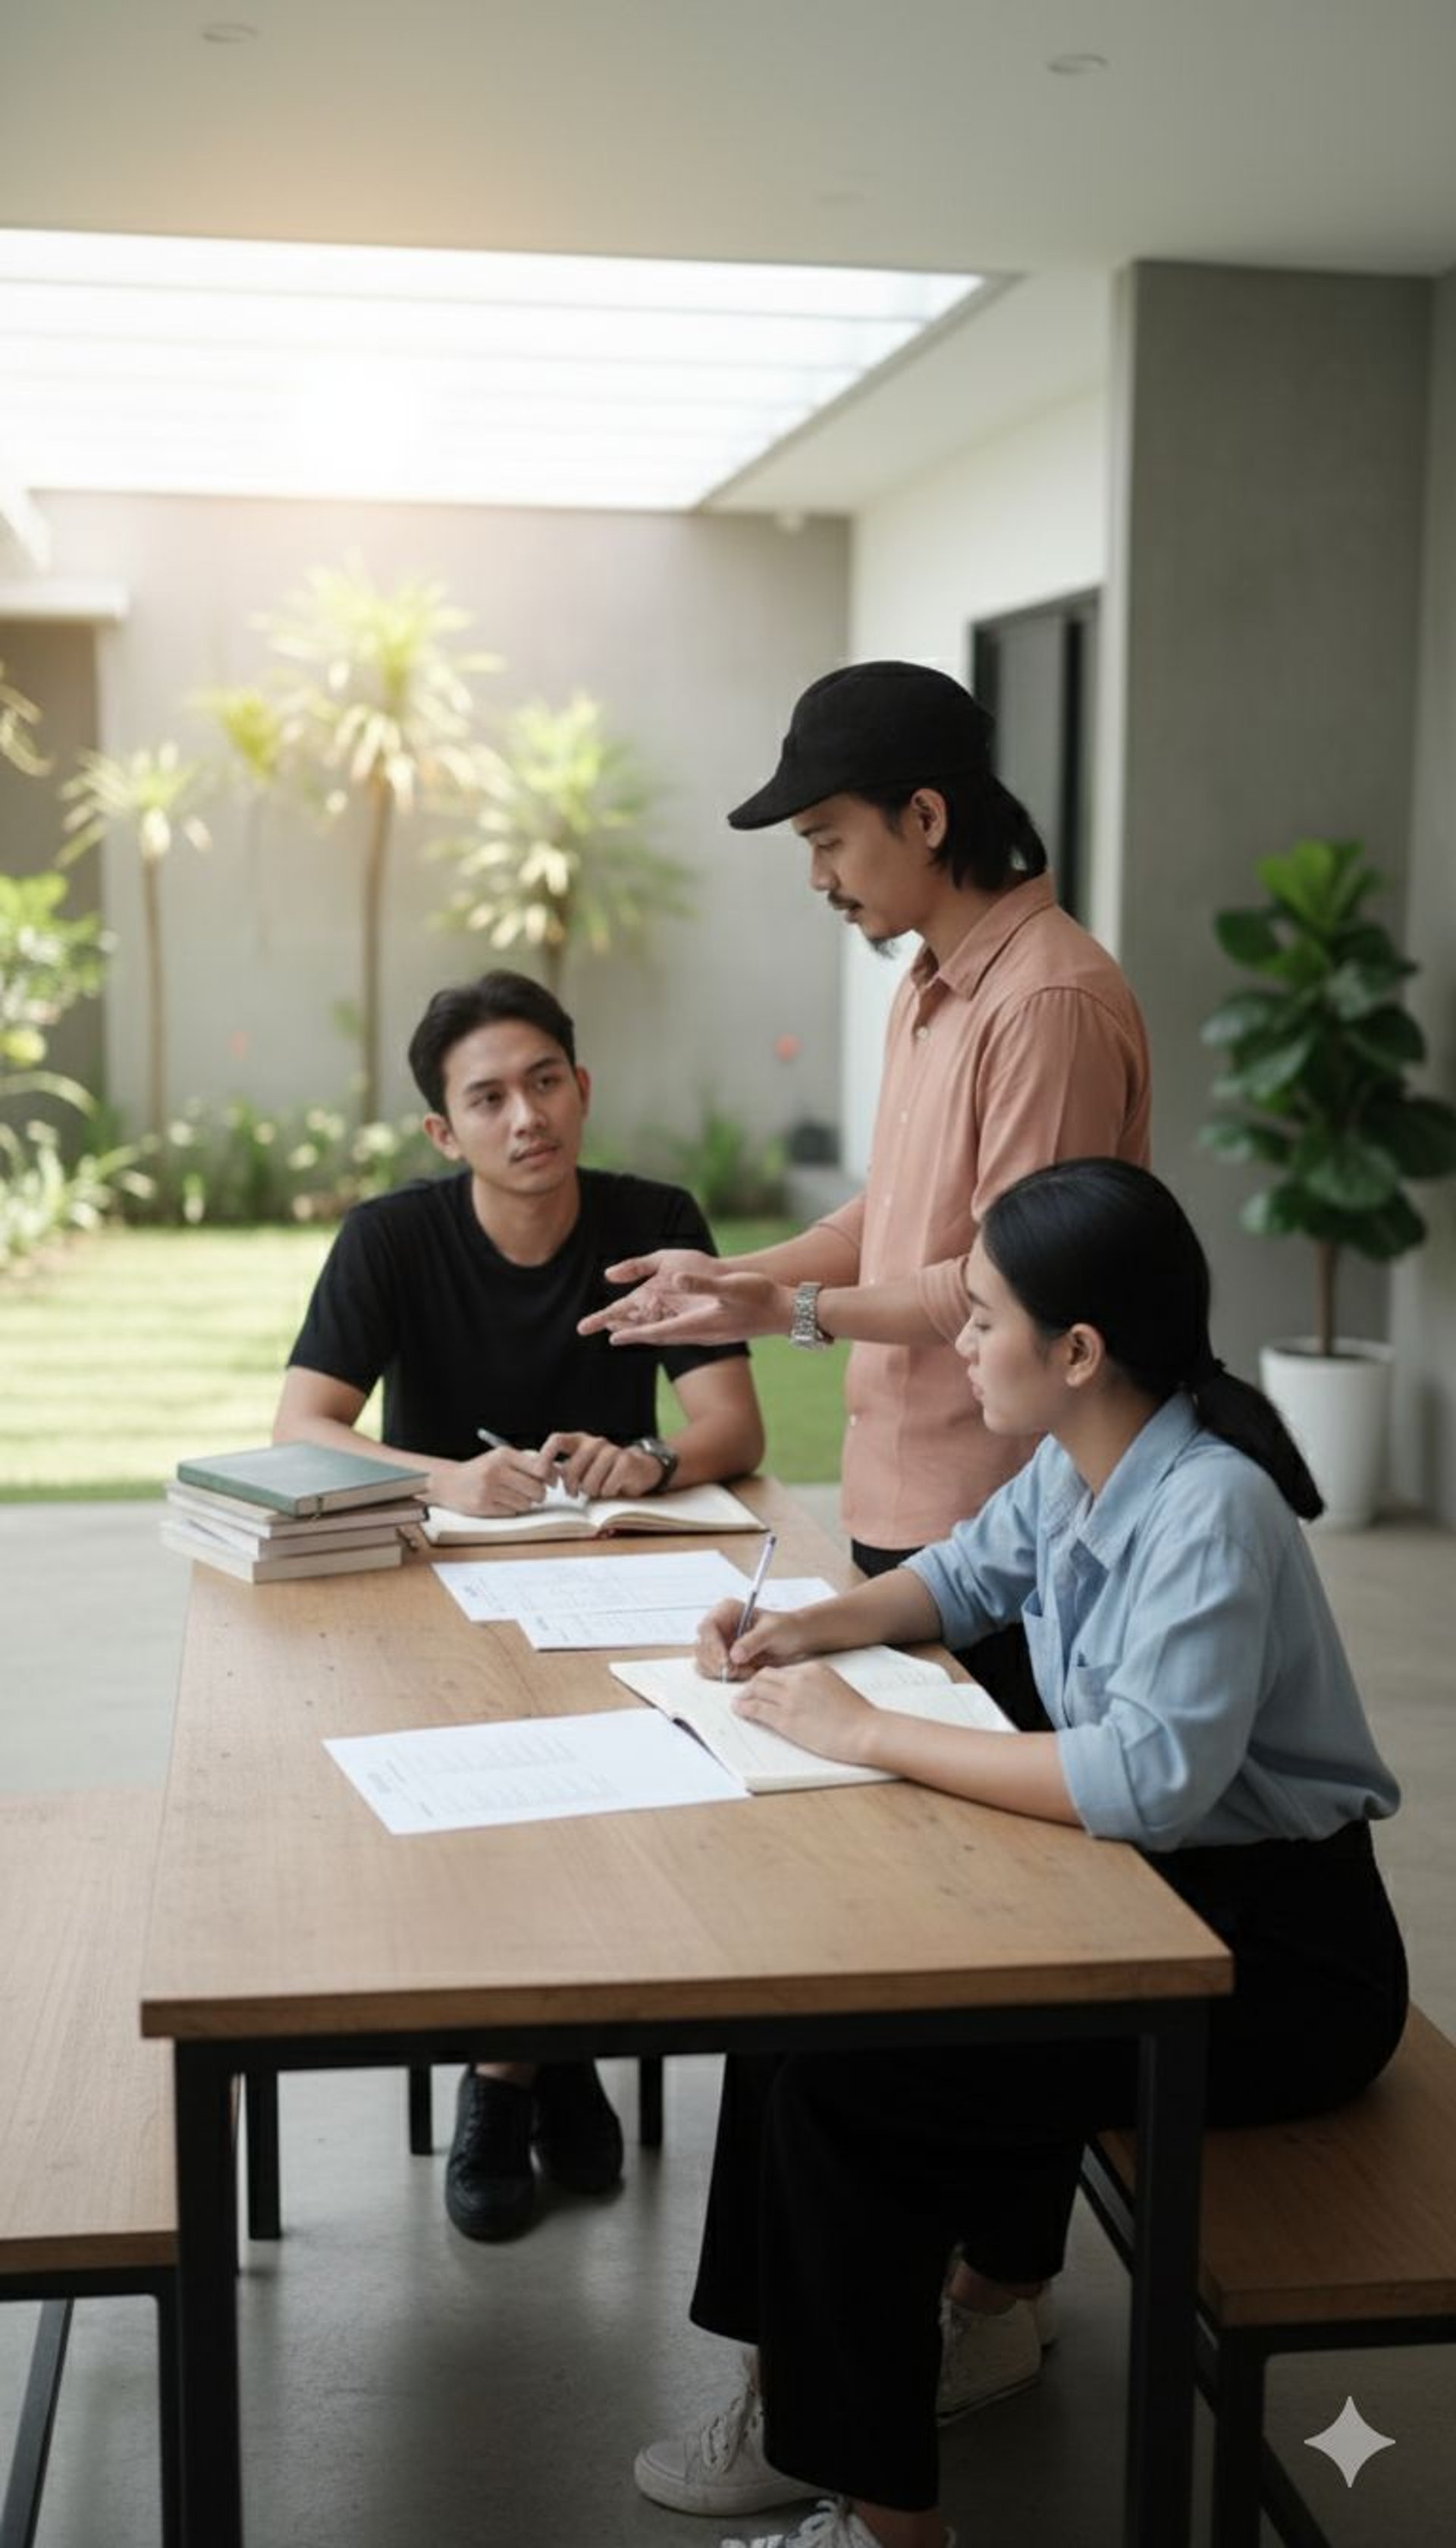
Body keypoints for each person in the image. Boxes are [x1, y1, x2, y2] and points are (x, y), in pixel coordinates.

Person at [632, 1159, 1407, 2548]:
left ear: (1080, 1349)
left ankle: (882, 2521)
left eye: (982, 1318)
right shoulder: (1084, 1457)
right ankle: (818, 2392)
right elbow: (965, 1576)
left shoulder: (1210, 1507)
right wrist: (800, 1630)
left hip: (1274, 1967)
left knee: (850, 2090)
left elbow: (1146, 1780)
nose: (962, 1341)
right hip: (1153, 1901)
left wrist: (868, 1732)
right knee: (803, 2006)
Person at [274, 968, 764, 2243]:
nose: (525, 1117)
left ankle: (512, 2071)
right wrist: (449, 1476)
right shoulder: (392, 1238)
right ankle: (544, 2067)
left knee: (634, 1782)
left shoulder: (656, 1217)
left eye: (546, 1083)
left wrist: (648, 1462)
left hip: (619, 1575)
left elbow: (731, 1423)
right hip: (437, 1580)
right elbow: (303, 1426)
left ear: (582, 1089)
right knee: (492, 1800)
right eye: (487, 1098)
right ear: (446, 1131)